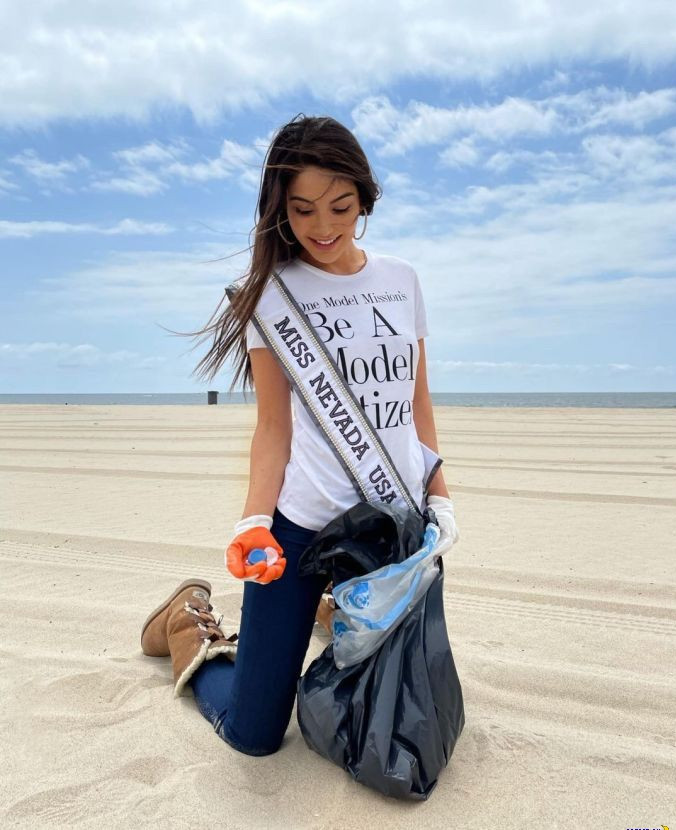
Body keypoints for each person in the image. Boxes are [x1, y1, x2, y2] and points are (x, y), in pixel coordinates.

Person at [140, 114, 459, 757]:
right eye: (302, 209)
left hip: (387, 531)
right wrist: (253, 522)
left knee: (400, 717)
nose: (323, 226)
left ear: (365, 198)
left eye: (340, 206)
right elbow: (272, 427)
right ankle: (187, 627)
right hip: (300, 529)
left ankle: (326, 609)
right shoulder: (272, 295)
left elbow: (415, 402)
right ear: (280, 211)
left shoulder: (402, 280)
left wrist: (441, 499)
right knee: (255, 735)